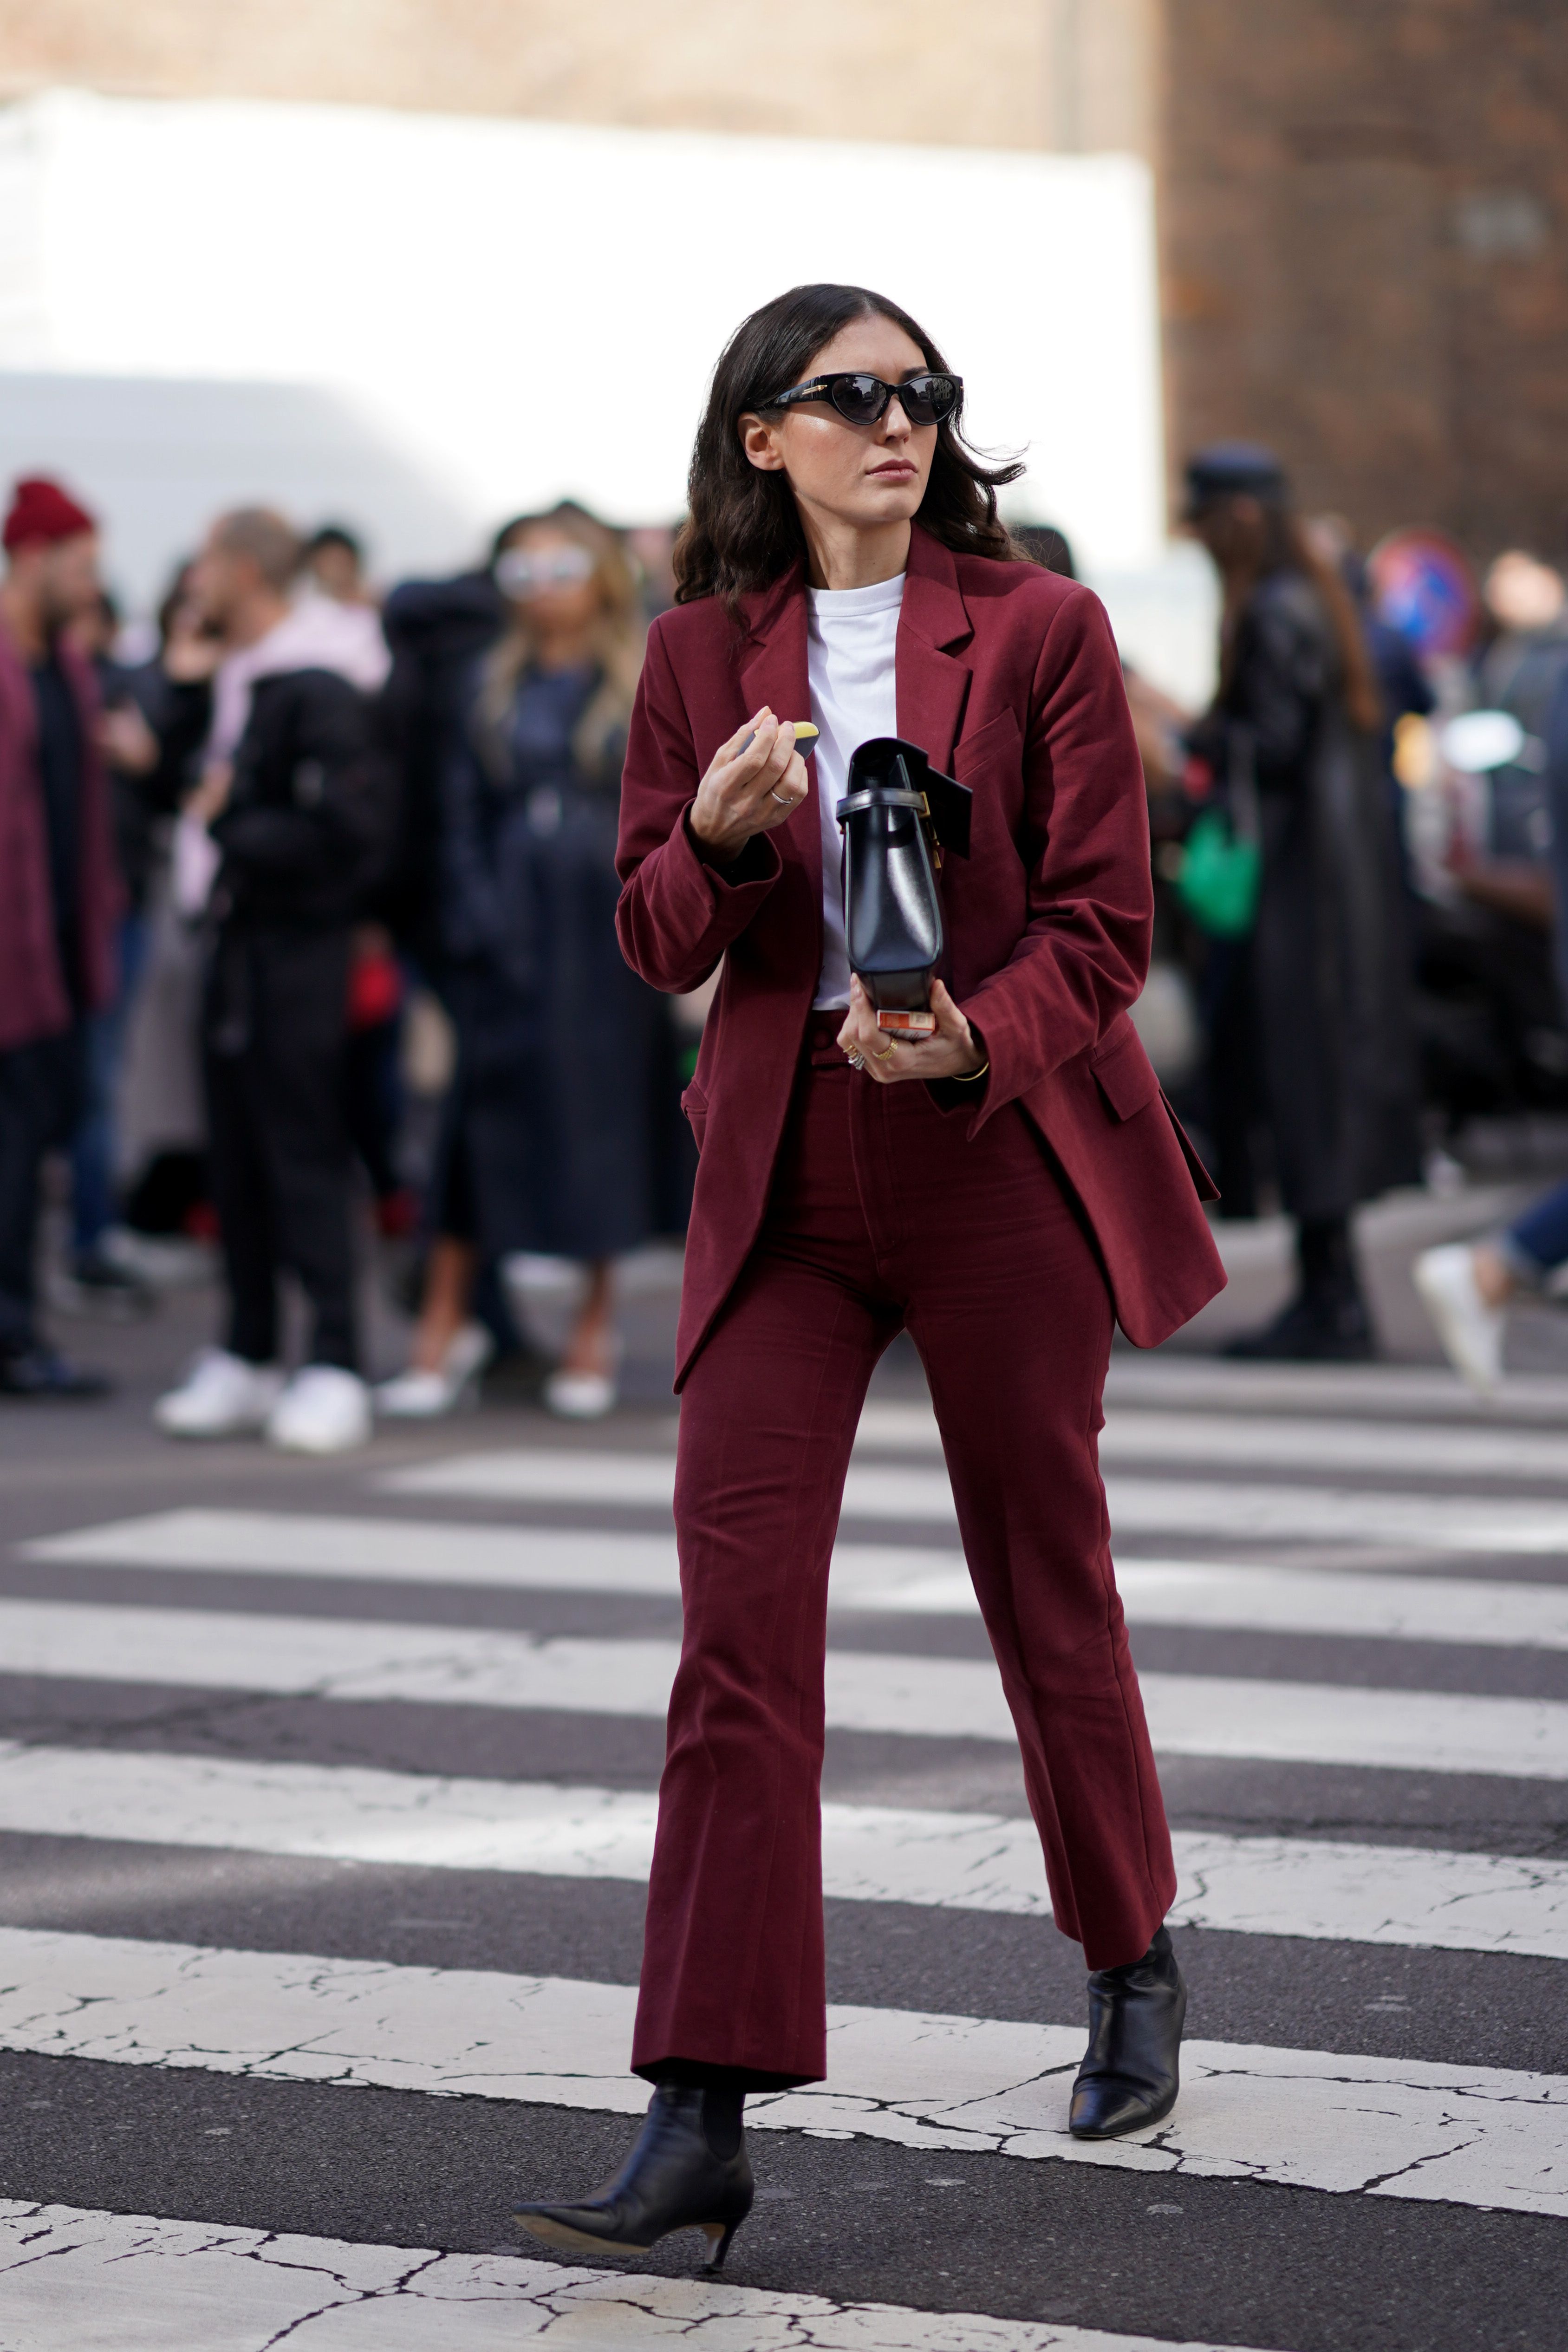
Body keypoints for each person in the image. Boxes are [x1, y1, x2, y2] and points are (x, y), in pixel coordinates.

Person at [512, 283, 1226, 2265]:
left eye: (922, 396)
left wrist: (973, 1034)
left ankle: (1127, 1944)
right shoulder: (691, 659)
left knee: (1040, 1576)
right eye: (852, 397)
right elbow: (656, 939)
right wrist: (733, 840)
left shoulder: (1042, 631)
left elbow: (1101, 928)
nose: (896, 423)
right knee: (737, 1630)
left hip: (993, 1156)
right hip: (784, 1178)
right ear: (766, 434)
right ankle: (699, 2108)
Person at [378, 503, 663, 1420]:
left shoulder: (640, 676)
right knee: (477, 1121)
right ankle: (444, 1327)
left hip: (604, 922)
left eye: (561, 569)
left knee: (601, 1123)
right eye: (522, 574)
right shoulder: (486, 683)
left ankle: (593, 1328)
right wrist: (474, 921)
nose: (542, 593)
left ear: (601, 577)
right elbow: (455, 814)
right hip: (508, 919)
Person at [153, 508, 392, 1453]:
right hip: (230, 941)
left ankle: (333, 1359)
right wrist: (178, 694)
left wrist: (228, 822)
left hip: (299, 945)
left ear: (245, 571)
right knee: (237, 1154)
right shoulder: (226, 670)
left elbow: (348, 836)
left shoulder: (322, 679)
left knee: (302, 1149)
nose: (193, 577)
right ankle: (248, 1352)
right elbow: (168, 785)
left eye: (208, 559)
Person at [1184, 444, 1420, 1356]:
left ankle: (1333, 1301)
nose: (1200, 540)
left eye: (1205, 522)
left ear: (1236, 518)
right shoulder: (1319, 597)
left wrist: (1193, 729)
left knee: (1305, 1080)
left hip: (1299, 890)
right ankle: (1334, 1291)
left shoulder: (1276, 609)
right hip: (1334, 882)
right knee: (1317, 1081)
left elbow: (1271, 745)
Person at [0, 477, 121, 1397]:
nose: (92, 585)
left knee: (36, 1139)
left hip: (62, 952)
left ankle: (20, 1326)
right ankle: (13, 1337)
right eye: (80, 565)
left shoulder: (66, 666)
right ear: (33, 557)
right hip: (12, 953)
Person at [64, 585, 217, 1308]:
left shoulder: (137, 687)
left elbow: (169, 787)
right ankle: (91, 1242)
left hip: (118, 903)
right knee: (86, 1082)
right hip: (82, 910)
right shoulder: (70, 684)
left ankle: (97, 1239)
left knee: (104, 1079)